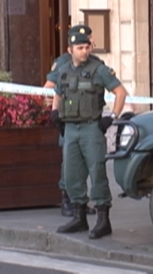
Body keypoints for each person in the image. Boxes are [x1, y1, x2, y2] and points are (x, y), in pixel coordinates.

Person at [50, 32, 127, 239]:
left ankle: (103, 220)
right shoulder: (64, 70)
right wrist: (54, 111)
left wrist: (111, 117)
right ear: (70, 50)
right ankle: (79, 217)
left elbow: (121, 92)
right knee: (71, 173)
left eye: (87, 47)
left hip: (91, 128)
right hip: (70, 129)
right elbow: (58, 92)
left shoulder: (99, 69)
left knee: (97, 172)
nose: (84, 51)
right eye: (80, 48)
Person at [44, 25, 101, 217]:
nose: (89, 43)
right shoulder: (64, 62)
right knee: (69, 162)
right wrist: (56, 110)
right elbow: (49, 88)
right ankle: (67, 198)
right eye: (84, 42)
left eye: (89, 40)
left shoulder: (93, 62)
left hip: (86, 120)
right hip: (68, 119)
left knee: (82, 162)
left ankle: (79, 200)